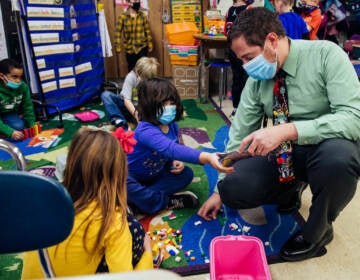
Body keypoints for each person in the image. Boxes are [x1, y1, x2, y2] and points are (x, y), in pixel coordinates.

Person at [198, 7, 360, 262]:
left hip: (325, 149)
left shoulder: (326, 55)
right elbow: (240, 131)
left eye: (249, 57)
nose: (246, 66)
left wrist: (288, 130)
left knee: (339, 159)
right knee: (233, 188)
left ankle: (317, 232)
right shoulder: (257, 79)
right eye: (241, 60)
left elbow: (353, 118)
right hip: (284, 154)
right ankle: (290, 188)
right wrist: (220, 186)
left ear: (272, 40)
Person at [22, 127, 153, 278]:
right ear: (119, 173)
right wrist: (148, 255)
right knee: (136, 231)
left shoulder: (45, 196)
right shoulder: (112, 219)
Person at [126, 78, 234, 214]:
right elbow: (170, 149)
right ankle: (165, 201)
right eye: (164, 103)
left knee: (186, 174)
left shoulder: (172, 126)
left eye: (172, 103)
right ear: (149, 105)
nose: (170, 107)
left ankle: (141, 202)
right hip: (132, 177)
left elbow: (172, 150)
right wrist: (206, 157)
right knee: (123, 184)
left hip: (156, 175)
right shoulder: (145, 130)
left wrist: (174, 161)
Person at [101, 57, 159, 130]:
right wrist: (136, 114)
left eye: (147, 78)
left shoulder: (152, 80)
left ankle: (143, 123)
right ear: (137, 71)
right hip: (128, 108)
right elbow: (127, 100)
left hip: (141, 110)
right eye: (143, 77)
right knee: (106, 95)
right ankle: (120, 122)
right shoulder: (131, 77)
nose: (145, 80)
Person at [224, 0, 251, 119]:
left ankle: (236, 109)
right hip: (245, 48)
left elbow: (226, 31)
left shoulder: (229, 10)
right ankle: (245, 109)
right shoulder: (249, 8)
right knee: (247, 78)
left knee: (236, 77)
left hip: (232, 48)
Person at [0, 58, 36, 141]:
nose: (18, 81)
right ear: (2, 76)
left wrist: (32, 125)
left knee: (19, 126)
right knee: (14, 130)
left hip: (8, 113)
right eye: (14, 77)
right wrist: (10, 132)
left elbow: (28, 107)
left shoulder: (23, 86)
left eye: (20, 77)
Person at [114, 0, 153, 72]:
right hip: (130, 49)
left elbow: (147, 31)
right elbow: (117, 33)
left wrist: (150, 45)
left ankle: (143, 83)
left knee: (143, 70)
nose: (137, 2)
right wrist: (117, 47)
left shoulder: (143, 16)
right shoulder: (123, 17)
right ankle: (133, 83)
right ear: (129, 3)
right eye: (134, 0)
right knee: (132, 69)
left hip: (142, 47)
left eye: (138, 0)